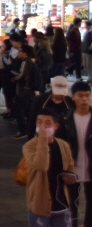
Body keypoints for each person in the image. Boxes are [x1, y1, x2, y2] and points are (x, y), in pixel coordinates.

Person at [24, 108, 76, 227]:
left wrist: (70, 176)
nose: (42, 126)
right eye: (39, 122)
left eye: (47, 123)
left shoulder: (63, 145)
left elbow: (70, 167)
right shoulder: (30, 146)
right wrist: (42, 139)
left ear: (56, 126)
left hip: (62, 205)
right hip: (40, 206)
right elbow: (41, 166)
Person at [63, 81, 92, 226]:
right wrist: (64, 170)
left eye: (87, 95)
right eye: (80, 96)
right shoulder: (65, 119)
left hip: (90, 167)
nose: (84, 99)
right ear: (72, 97)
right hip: (72, 169)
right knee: (71, 205)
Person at [28, 76, 73, 140]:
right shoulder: (40, 100)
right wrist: (30, 139)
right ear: (51, 88)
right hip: (44, 136)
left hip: (63, 138)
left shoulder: (70, 102)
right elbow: (32, 120)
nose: (60, 95)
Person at [14, 45, 42, 139]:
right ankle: (30, 131)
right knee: (29, 112)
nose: (18, 53)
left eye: (20, 51)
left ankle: (22, 131)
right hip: (30, 91)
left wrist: (14, 78)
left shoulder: (26, 62)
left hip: (24, 91)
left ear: (25, 53)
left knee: (20, 111)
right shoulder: (32, 62)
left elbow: (22, 75)